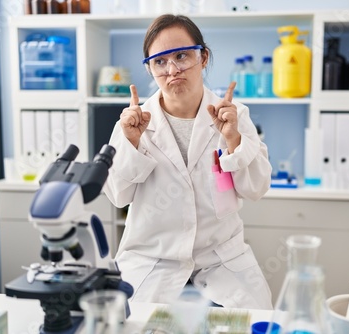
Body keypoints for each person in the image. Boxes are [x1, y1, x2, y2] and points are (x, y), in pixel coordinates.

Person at [103, 14, 273, 309]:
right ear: (150, 68)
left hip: (222, 261)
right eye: (160, 61)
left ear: (203, 57)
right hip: (152, 261)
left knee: (254, 322)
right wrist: (131, 143)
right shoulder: (132, 124)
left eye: (182, 56)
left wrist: (234, 140)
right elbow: (118, 196)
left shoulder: (234, 115)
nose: (172, 70)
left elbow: (256, 188)